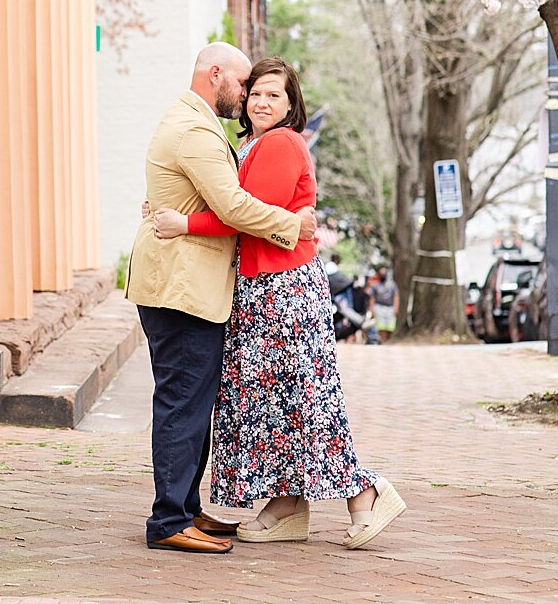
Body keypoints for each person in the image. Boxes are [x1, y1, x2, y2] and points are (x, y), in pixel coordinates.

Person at [153, 57, 406, 550]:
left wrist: (184, 223)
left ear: (291, 105)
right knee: (281, 405)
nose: (261, 101)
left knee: (308, 405)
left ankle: (366, 493)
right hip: (264, 288)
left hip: (283, 291)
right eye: (256, 93)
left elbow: (243, 215)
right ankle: (287, 505)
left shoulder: (281, 143)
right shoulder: (252, 144)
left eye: (274, 95)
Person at [127, 42, 318, 554]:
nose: (248, 96)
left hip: (187, 284)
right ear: (218, 75)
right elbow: (232, 204)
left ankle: (184, 510)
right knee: (183, 401)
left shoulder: (195, 122)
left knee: (190, 399)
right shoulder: (194, 129)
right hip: (180, 287)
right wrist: (292, 225)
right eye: (245, 86)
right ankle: (169, 520)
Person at [368, 269, 399, 337]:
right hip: (379, 307)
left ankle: (388, 339)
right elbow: (372, 298)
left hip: (390, 308)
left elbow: (396, 296)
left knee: (390, 326)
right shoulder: (375, 285)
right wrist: (372, 309)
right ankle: (382, 340)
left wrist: (396, 307)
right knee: (380, 326)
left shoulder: (392, 285)